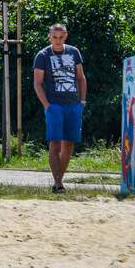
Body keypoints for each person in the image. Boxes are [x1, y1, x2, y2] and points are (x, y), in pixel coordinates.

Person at [33, 23, 86, 193]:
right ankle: (58, 184)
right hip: (54, 104)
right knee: (55, 144)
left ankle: (58, 181)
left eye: (60, 37)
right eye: (54, 37)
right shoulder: (42, 55)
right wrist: (47, 106)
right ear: (49, 37)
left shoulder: (74, 52)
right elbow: (38, 84)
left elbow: (81, 77)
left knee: (68, 145)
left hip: (73, 104)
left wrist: (82, 102)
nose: (57, 40)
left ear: (65, 37)